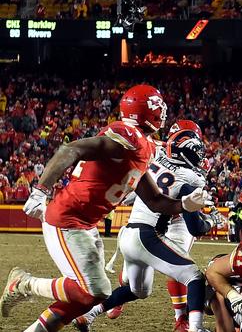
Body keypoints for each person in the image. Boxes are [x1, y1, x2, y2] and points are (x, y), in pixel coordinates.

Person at [0, 85, 212, 332]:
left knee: (85, 300)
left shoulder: (143, 146)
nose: (163, 112)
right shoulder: (127, 137)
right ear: (147, 110)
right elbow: (71, 149)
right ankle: (24, 284)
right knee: (95, 290)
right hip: (66, 219)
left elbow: (155, 201)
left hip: (86, 224)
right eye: (159, 105)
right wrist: (40, 190)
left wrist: (185, 204)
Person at [72, 128, 219, 332]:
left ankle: (89, 314)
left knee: (138, 290)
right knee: (194, 276)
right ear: (190, 152)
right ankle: (196, 328)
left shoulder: (155, 164)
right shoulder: (190, 179)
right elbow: (195, 228)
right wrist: (210, 221)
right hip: (147, 235)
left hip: (128, 235)